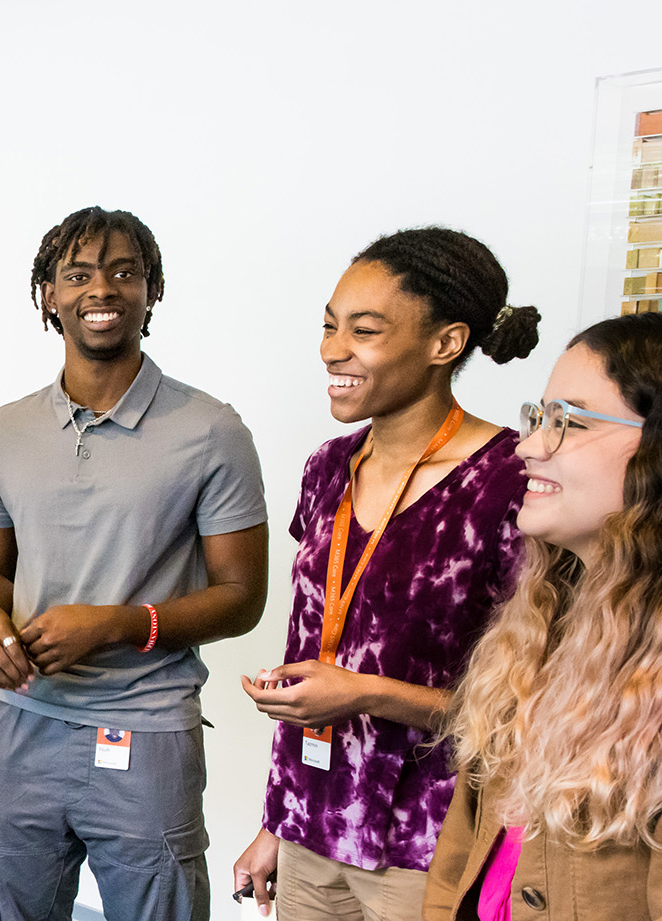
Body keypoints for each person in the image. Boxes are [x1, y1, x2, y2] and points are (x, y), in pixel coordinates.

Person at [424, 312, 662, 920]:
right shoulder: (551, 616)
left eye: (567, 422)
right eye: (538, 416)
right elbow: (461, 862)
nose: (527, 445)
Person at [0, 206, 270, 921]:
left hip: (145, 729)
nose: (102, 289)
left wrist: (115, 625)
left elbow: (241, 596)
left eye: (124, 272)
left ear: (151, 291)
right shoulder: (5, 429)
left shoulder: (211, 430)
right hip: (17, 723)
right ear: (48, 294)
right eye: (78, 274)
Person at [232, 228, 541, 919]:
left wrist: (368, 693)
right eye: (328, 326)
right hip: (312, 826)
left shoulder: (513, 481)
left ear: (445, 343)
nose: (332, 350)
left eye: (364, 330)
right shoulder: (327, 466)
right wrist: (276, 820)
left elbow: (531, 699)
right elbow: (313, 644)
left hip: (430, 838)